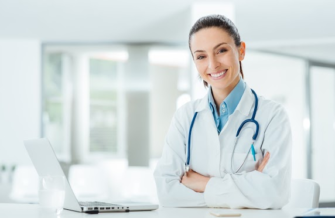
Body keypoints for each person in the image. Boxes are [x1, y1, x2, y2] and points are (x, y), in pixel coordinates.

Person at [153, 14, 292, 209]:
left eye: (221, 51)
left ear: (241, 51)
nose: (212, 64)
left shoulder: (273, 116)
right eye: (201, 56)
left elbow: (275, 193)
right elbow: (166, 192)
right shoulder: (185, 117)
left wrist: (204, 184)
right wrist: (248, 193)